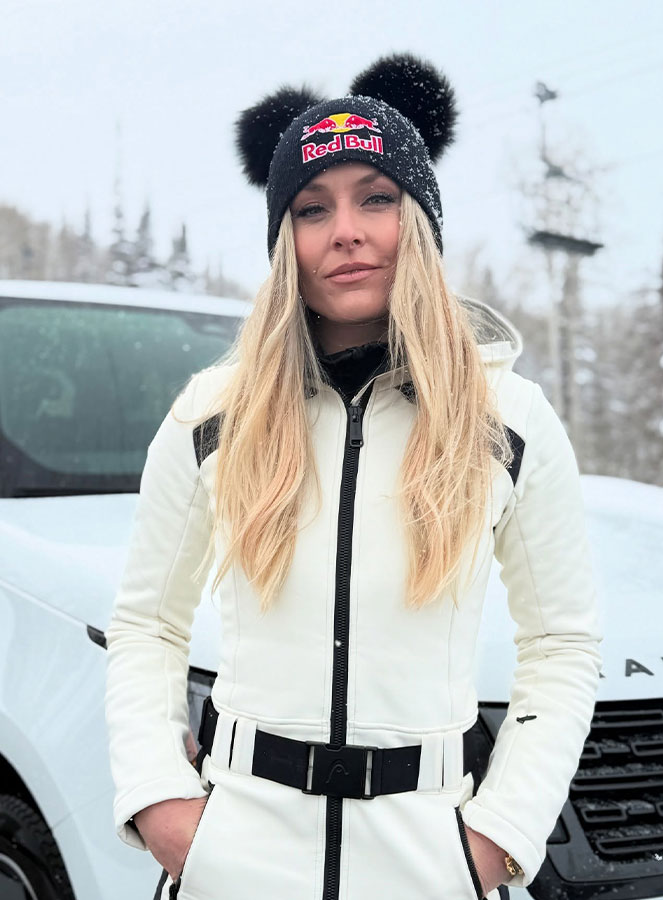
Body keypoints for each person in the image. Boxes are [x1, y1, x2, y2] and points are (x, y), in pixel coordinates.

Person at [104, 54, 602, 900]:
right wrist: (161, 800)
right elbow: (147, 625)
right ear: (284, 241)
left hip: (429, 858)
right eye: (312, 207)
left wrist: (497, 836)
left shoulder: (508, 420)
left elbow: (563, 645)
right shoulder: (211, 416)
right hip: (237, 855)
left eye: (376, 198)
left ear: (421, 220)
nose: (346, 231)